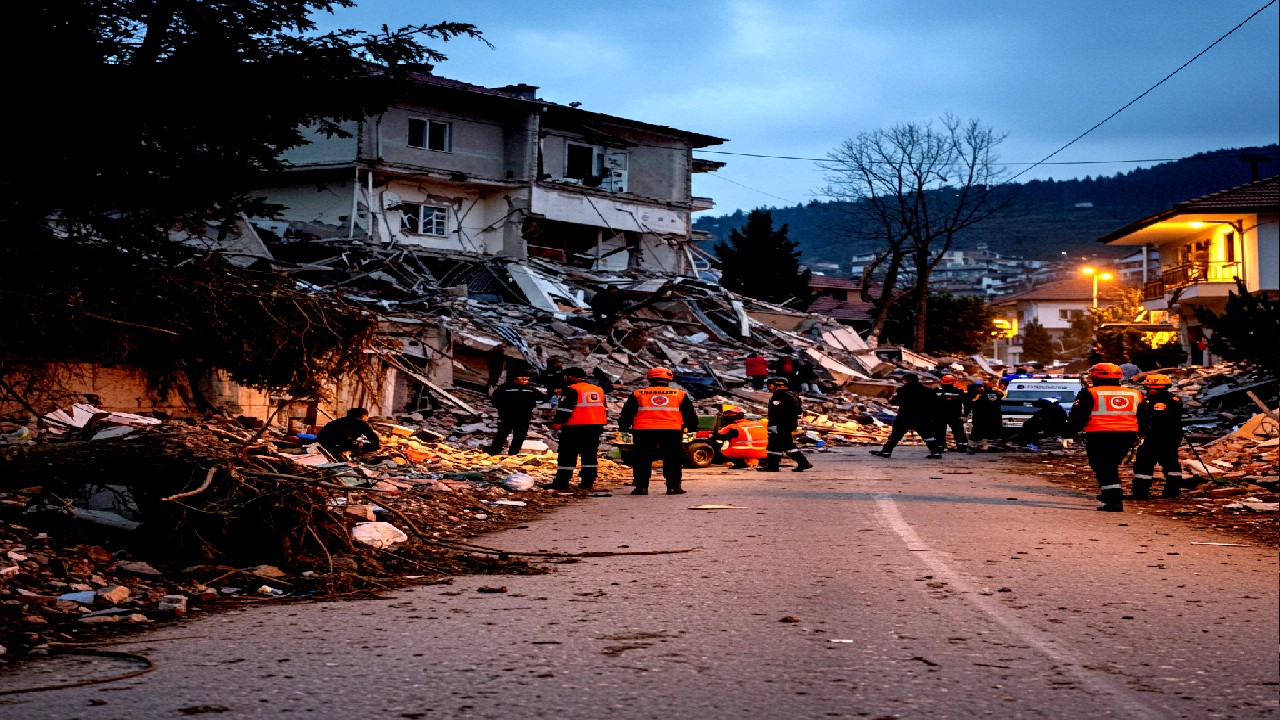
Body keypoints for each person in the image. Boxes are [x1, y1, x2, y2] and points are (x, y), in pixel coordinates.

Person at [1067, 362, 1144, 512]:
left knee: (1103, 467)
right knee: (1110, 465)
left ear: (1095, 376)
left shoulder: (1089, 393)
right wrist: (1141, 435)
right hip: (1127, 435)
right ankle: (1110, 495)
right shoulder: (1135, 394)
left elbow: (1078, 416)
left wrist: (1069, 432)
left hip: (1099, 435)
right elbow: (1144, 418)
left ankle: (1113, 500)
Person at [618, 367, 699, 495]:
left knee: (642, 459)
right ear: (669, 379)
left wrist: (623, 429)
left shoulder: (638, 394)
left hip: (643, 430)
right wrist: (693, 429)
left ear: (649, 379)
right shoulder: (679, 394)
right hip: (672, 430)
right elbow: (689, 414)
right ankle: (673, 487)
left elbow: (627, 413)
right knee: (672, 459)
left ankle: (641, 487)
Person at [545, 367, 607, 492]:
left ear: (570, 376)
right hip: (595, 426)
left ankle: (562, 482)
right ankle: (587, 482)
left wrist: (557, 422)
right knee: (589, 455)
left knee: (567, 454)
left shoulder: (571, 389)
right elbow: (603, 408)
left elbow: (565, 409)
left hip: (575, 427)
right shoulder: (598, 389)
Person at [1132, 374, 1185, 499]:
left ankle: (1141, 491)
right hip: (1172, 436)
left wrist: (1140, 433)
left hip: (1155, 436)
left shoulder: (1151, 402)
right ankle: (1173, 490)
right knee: (1171, 462)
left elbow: (1149, 420)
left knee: (1144, 461)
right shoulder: (1175, 400)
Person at [869, 374, 944, 459]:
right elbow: (934, 403)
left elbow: (896, 401)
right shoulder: (927, 390)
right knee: (927, 434)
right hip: (922, 416)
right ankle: (935, 452)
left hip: (905, 416)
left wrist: (890, 399)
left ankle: (886, 451)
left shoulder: (902, 390)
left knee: (895, 435)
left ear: (906, 380)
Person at [757, 376, 813, 472]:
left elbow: (776, 413)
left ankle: (803, 462)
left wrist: (773, 425)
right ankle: (773, 466)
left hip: (781, 425)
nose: (769, 387)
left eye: (770, 385)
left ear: (777, 385)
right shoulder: (793, 395)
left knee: (784, 445)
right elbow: (799, 411)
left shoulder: (778, 396)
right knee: (776, 445)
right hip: (789, 424)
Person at [486, 371, 546, 455]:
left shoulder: (530, 389)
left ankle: (513, 453)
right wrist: (502, 409)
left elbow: (543, 397)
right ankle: (494, 451)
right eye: (523, 378)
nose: (525, 380)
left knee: (520, 435)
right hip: (507, 415)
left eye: (527, 379)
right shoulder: (505, 388)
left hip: (523, 416)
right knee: (502, 433)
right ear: (515, 378)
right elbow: (495, 400)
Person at [934, 374, 970, 453]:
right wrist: (964, 415)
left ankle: (940, 447)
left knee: (939, 431)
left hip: (940, 415)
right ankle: (962, 446)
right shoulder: (959, 392)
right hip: (955, 415)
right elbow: (966, 404)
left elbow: (931, 404)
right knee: (959, 431)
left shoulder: (937, 392)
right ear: (953, 382)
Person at [966, 379, 1005, 452]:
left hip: (981, 415)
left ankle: (975, 446)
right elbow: (1001, 398)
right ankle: (992, 446)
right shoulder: (996, 393)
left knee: (978, 430)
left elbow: (972, 402)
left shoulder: (978, 394)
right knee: (993, 431)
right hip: (994, 415)